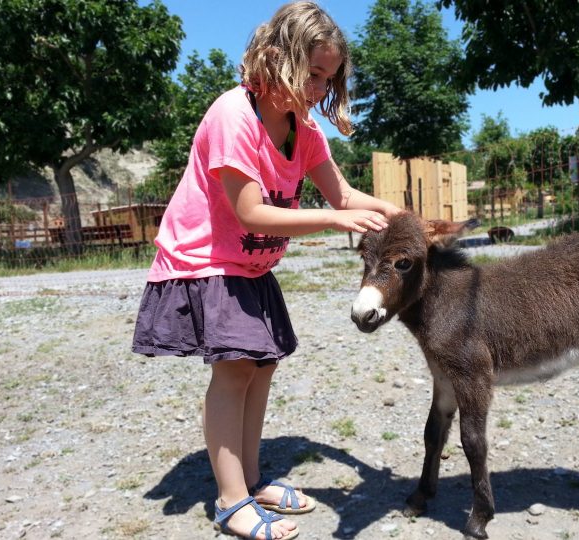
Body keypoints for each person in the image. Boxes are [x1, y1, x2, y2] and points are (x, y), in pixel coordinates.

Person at [132, 2, 400, 538]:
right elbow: (250, 212)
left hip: (252, 265)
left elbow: (343, 192)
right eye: (313, 74)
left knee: (261, 366)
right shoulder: (233, 114)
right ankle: (231, 501)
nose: (319, 89)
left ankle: (251, 481)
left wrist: (405, 217)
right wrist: (335, 219)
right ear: (276, 57)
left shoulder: (305, 132)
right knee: (233, 371)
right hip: (206, 259)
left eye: (328, 79)